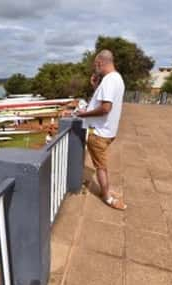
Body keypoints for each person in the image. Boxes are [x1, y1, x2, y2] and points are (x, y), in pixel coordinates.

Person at [72, 50, 126, 210]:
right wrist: (96, 86)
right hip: (109, 131)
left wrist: (83, 114)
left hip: (99, 133)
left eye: (96, 64)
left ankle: (107, 197)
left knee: (101, 167)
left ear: (101, 62)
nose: (95, 67)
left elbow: (105, 108)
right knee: (101, 164)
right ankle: (107, 191)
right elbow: (102, 101)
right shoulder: (117, 78)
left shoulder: (109, 80)